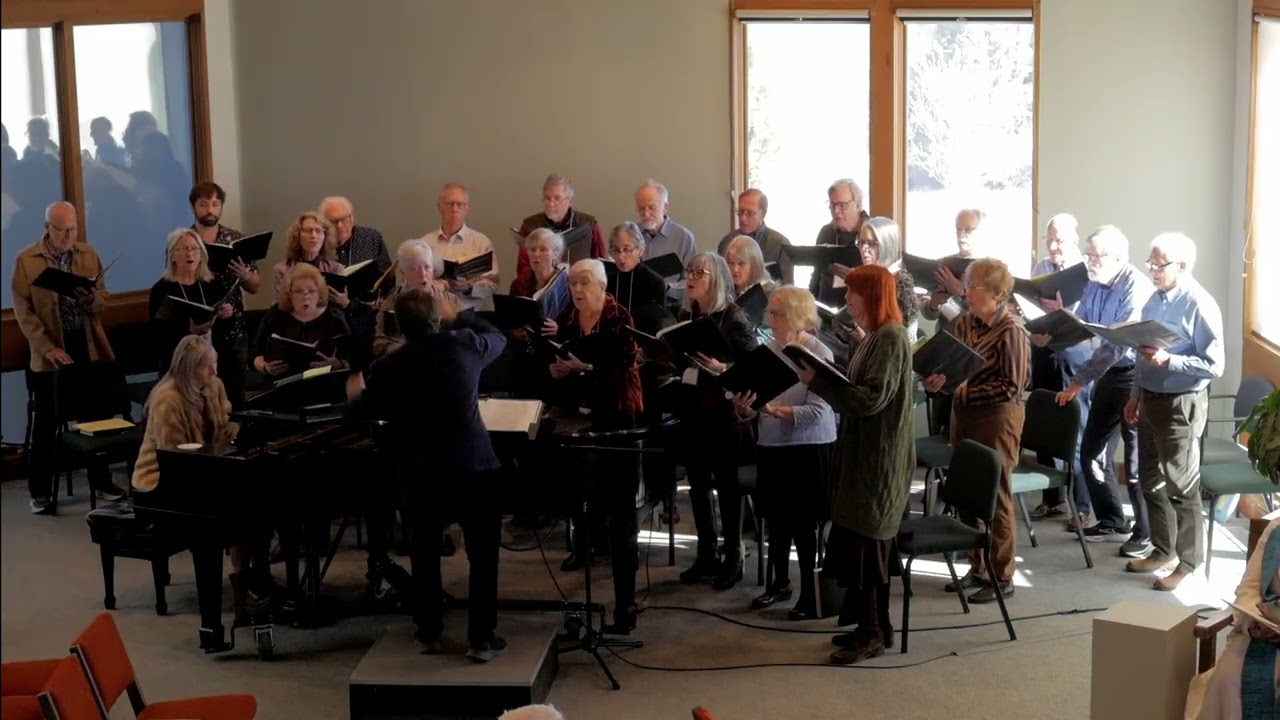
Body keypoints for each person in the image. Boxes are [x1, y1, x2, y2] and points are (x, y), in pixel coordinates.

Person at [349, 287, 507, 662]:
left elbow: (359, 417)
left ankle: (428, 632)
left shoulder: (388, 367)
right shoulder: (466, 345)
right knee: (483, 556)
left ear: (399, 325)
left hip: (422, 471)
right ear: (440, 318)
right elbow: (498, 337)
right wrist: (463, 315)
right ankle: (482, 639)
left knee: (424, 552)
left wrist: (355, 394)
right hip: (474, 466)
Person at [796, 265, 913, 663]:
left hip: (878, 461)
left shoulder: (892, 338)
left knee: (869, 547)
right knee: (860, 544)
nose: (846, 299)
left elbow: (869, 400)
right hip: (863, 455)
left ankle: (873, 632)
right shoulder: (875, 337)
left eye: (854, 293)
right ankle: (874, 626)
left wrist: (820, 382)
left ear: (874, 296)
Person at [129, 335, 276, 620]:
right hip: (162, 479)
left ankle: (250, 583)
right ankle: (241, 591)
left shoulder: (214, 387)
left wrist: (242, 434)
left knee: (256, 506)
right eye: (206, 367)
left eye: (214, 364)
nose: (214, 372)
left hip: (204, 469)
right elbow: (174, 456)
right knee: (235, 511)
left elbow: (224, 430)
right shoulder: (166, 400)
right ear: (186, 368)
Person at [544, 259, 646, 634]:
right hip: (580, 423)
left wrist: (582, 371)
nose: (577, 289)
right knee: (586, 509)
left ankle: (626, 605)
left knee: (621, 521)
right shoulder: (569, 319)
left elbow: (624, 371)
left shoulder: (620, 317)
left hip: (618, 423)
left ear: (603, 287)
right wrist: (556, 372)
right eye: (572, 282)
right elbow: (556, 361)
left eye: (585, 282)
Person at [921, 258, 1030, 604]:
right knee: (966, 492)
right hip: (964, 417)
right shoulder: (966, 322)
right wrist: (936, 379)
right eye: (966, 287)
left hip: (997, 420)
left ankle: (1002, 574)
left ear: (997, 294)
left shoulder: (1012, 331)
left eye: (972, 288)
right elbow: (948, 363)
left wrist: (961, 391)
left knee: (996, 496)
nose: (966, 293)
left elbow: (1011, 386)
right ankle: (977, 566)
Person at [1123, 232, 1225, 590]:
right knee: (1149, 480)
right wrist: (1135, 392)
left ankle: (1189, 563)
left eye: (1158, 263)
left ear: (1182, 265)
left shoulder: (1200, 303)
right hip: (1149, 399)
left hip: (1181, 404)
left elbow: (1215, 365)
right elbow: (1142, 351)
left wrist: (1173, 360)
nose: (1151, 269)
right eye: (1149, 262)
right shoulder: (1154, 300)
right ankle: (1162, 550)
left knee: (1182, 487)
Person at [731, 286, 837, 620]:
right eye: (769, 313)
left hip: (809, 449)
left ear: (796, 316)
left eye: (776, 314)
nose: (769, 319)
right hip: (773, 446)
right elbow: (752, 407)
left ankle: (809, 594)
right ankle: (779, 584)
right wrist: (743, 409)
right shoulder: (768, 351)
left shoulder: (820, 353)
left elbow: (819, 413)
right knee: (775, 521)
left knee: (803, 526)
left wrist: (775, 411)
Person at [11, 201, 123, 513]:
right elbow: (23, 311)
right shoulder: (27, 260)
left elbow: (102, 298)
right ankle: (40, 491)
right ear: (47, 228)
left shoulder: (88, 254)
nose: (68, 236)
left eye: (73, 229)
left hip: (85, 344)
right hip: (48, 353)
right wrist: (48, 348)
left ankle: (101, 481)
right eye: (62, 230)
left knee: (95, 418)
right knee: (46, 423)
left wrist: (91, 300)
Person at [1049, 226, 1152, 552]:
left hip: (1136, 377)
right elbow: (1082, 324)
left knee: (1136, 465)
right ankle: (1111, 521)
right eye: (1088, 255)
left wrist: (1080, 380)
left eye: (1096, 255)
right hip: (1109, 375)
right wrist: (1049, 333)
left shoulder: (1135, 287)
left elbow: (1116, 345)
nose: (1090, 261)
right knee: (1090, 452)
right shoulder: (1095, 282)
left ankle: (1145, 535)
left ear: (1119, 258)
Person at [675, 252, 759, 590]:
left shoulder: (733, 317)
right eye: (689, 271)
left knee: (727, 487)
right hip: (695, 410)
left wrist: (723, 369)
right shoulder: (688, 315)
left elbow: (754, 367)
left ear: (718, 279)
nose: (691, 277)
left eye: (700, 272)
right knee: (697, 486)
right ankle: (706, 552)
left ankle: (733, 556)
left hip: (726, 415)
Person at [1026, 213, 1091, 522]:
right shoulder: (1042, 269)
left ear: (1074, 240)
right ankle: (1053, 500)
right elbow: (1028, 304)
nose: (1052, 246)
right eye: (1048, 239)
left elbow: (1089, 321)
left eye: (1059, 240)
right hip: (1044, 350)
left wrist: (1061, 311)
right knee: (1044, 423)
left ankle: (1080, 504)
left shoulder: (1086, 271)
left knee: (1074, 428)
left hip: (1074, 356)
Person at [1184, 518, 1279, 719]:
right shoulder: (1275, 529)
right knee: (1229, 676)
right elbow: (1249, 588)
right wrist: (1254, 622)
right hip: (1265, 630)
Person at [189, 181, 260, 407]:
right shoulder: (185, 241)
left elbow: (255, 285)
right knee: (200, 396)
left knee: (235, 394)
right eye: (204, 204)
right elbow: (174, 282)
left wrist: (245, 275)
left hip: (234, 329)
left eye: (215, 204)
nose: (210, 209)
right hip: (199, 330)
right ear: (194, 207)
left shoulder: (236, 239)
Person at [319, 196, 391, 371]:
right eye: (334, 221)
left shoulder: (371, 238)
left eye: (345, 219)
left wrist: (383, 298)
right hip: (330, 320)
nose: (341, 226)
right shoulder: (318, 242)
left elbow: (388, 277)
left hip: (366, 316)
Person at [148, 228, 233, 372]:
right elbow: (157, 336)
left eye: (195, 248)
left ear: (202, 254)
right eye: (183, 249)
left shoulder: (212, 284)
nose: (190, 253)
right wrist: (189, 332)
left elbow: (226, 331)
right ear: (172, 256)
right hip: (178, 364)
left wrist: (227, 314)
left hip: (213, 361)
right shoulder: (161, 289)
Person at [252, 263, 351, 379]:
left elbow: (351, 359)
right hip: (281, 383)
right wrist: (265, 367)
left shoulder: (334, 317)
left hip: (323, 384)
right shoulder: (275, 314)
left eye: (312, 291)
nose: (306, 296)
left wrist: (337, 365)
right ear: (289, 294)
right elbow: (254, 355)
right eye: (299, 291)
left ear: (320, 294)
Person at [372, 239, 459, 359]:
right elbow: (381, 343)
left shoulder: (451, 301)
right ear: (403, 273)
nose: (423, 275)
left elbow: (464, 339)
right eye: (415, 269)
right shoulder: (391, 304)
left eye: (427, 267)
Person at [425, 183, 499, 312]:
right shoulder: (424, 243)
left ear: (467, 208)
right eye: (449, 204)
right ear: (439, 208)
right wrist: (433, 284)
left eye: (460, 204)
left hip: (469, 315)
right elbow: (411, 283)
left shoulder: (481, 243)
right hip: (433, 314)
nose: (454, 209)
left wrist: (468, 287)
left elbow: (493, 286)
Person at [515, 174, 607, 277]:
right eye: (547, 198)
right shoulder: (530, 226)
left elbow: (601, 267)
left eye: (557, 198)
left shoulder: (588, 225)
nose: (551, 204)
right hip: (539, 288)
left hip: (579, 288)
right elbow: (523, 269)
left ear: (570, 201)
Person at [809, 178, 869, 307]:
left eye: (842, 206)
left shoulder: (873, 234)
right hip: (825, 312)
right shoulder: (826, 233)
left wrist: (856, 278)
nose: (836, 211)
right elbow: (816, 276)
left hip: (861, 315)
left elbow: (885, 285)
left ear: (858, 205)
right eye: (832, 205)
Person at [271, 211, 348, 308]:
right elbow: (278, 307)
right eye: (308, 231)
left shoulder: (336, 269)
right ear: (298, 236)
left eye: (318, 231)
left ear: (325, 236)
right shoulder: (282, 270)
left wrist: (344, 303)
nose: (313, 236)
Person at [717, 189, 794, 285]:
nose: (743, 218)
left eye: (749, 213)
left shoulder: (780, 244)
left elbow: (787, 287)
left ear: (763, 213)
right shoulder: (727, 242)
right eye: (740, 212)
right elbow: (719, 282)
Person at [605, 221, 669, 335]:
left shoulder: (655, 282)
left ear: (640, 250)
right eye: (616, 249)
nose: (620, 256)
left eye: (626, 249)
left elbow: (656, 326)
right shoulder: (608, 281)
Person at [509, 227, 571, 321]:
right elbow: (511, 318)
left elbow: (574, 320)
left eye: (543, 249)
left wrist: (559, 329)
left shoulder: (567, 284)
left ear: (555, 254)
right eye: (532, 249)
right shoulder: (518, 284)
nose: (536, 254)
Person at [635, 180, 696, 266]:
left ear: (665, 207)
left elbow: (690, 277)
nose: (646, 214)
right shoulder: (631, 234)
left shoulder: (684, 238)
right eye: (642, 208)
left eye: (652, 207)